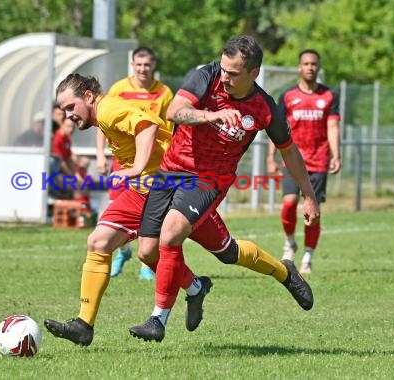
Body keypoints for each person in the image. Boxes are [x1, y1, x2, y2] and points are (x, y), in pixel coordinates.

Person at [129, 35, 319, 343]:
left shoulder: (266, 109)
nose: (225, 76)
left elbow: (289, 152)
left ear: (254, 74)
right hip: (171, 171)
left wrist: (309, 196)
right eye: (224, 68)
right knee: (152, 252)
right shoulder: (207, 75)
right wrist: (211, 115)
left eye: (233, 73)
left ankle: (157, 320)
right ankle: (204, 287)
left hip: (209, 181)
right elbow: (174, 111)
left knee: (171, 233)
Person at [44, 74, 222, 347]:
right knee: (99, 241)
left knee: (228, 252)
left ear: (89, 97)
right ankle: (83, 325)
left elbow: (147, 126)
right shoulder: (103, 113)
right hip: (143, 188)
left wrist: (136, 168)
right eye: (64, 110)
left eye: (71, 107)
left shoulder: (108, 108)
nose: (68, 115)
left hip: (163, 185)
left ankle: (281, 271)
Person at [97, 46, 175, 280]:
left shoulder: (164, 92)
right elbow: (103, 123)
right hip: (122, 161)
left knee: (148, 210)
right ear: (133, 65)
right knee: (116, 208)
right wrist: (100, 154)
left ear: (154, 66)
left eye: (147, 65)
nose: (143, 69)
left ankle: (145, 263)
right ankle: (123, 251)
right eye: (139, 64)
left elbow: (168, 129)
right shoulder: (119, 89)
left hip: (152, 163)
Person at [267, 49, 341, 275]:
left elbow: (332, 126)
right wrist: (271, 157)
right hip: (292, 160)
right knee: (289, 203)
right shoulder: (288, 96)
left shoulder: (329, 96)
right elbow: (277, 129)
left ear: (318, 67)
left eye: (314, 64)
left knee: (313, 211)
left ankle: (308, 256)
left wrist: (336, 154)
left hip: (318, 161)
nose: (310, 67)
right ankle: (290, 242)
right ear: (299, 67)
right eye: (306, 64)